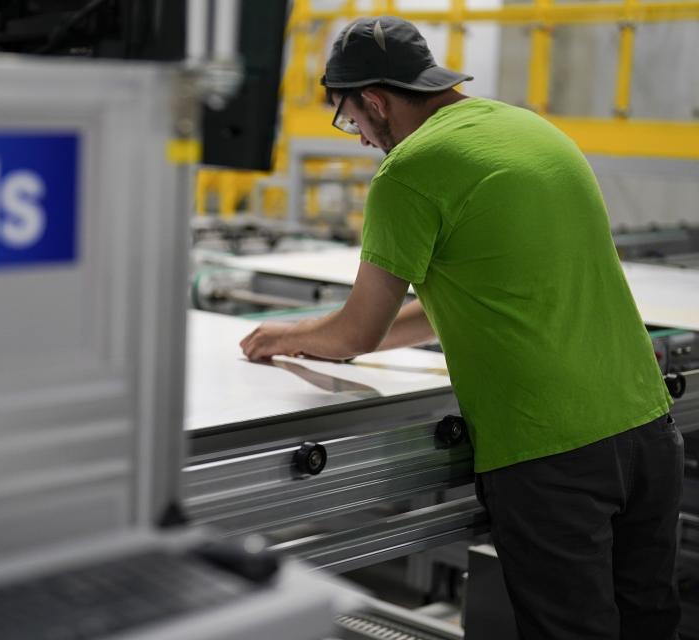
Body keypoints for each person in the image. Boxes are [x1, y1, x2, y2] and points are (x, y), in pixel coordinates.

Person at [240, 16, 681, 640]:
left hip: (551, 451)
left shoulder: (410, 171)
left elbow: (356, 334)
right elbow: (482, 299)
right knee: (649, 626)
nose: (359, 138)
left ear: (374, 100)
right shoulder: (529, 128)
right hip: (647, 429)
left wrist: (284, 338)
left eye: (350, 119)